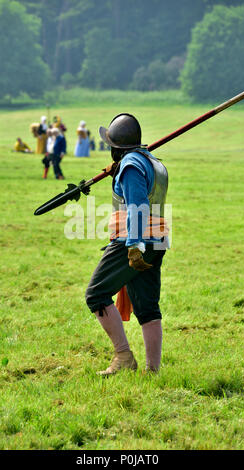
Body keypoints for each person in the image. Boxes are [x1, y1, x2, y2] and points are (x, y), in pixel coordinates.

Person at [85, 113, 169, 376]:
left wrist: (133, 246)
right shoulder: (148, 160)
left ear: (116, 148)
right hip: (155, 240)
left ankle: (123, 356)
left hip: (132, 240)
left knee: (96, 294)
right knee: (146, 306)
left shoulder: (131, 165)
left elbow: (137, 206)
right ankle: (152, 371)